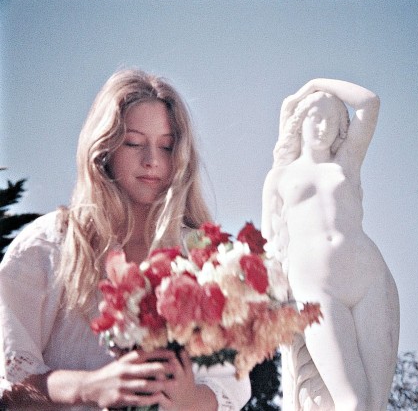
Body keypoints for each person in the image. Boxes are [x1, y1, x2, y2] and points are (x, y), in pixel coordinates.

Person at [0, 69, 251, 410]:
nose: (152, 161)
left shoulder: (204, 259)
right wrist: (88, 386)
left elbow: (230, 388)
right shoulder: (43, 248)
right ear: (104, 148)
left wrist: (189, 399)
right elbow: (10, 383)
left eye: (166, 146)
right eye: (134, 142)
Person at [262, 79, 400, 411]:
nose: (323, 127)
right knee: (350, 401)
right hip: (315, 284)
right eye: (315, 117)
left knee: (374, 404)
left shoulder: (346, 164)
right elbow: (269, 242)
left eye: (332, 119)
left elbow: (370, 103)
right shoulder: (280, 177)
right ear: (300, 122)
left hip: (368, 276)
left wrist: (316, 84)